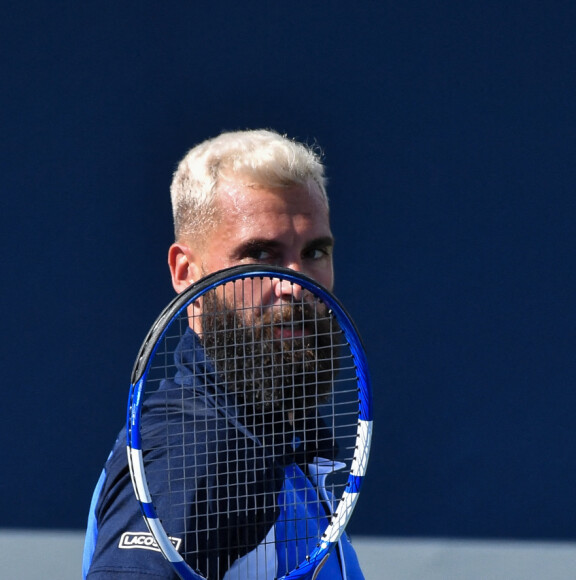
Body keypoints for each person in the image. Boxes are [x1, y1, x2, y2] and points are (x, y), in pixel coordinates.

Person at [82, 129, 365, 579]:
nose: (296, 285)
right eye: (259, 254)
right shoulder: (196, 454)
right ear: (186, 273)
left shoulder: (276, 437)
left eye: (314, 252)